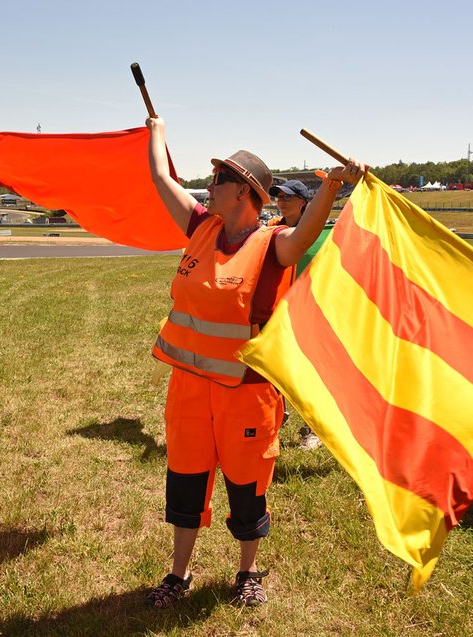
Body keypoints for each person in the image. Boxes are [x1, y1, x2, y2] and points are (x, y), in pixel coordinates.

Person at [144, 114, 365, 608]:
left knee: (246, 487)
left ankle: (247, 573)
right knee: (184, 479)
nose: (208, 186)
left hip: (246, 394)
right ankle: (178, 576)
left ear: (243, 192)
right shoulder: (201, 228)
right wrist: (154, 129)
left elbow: (305, 234)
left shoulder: (272, 244)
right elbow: (162, 178)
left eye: (219, 179)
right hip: (189, 389)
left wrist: (330, 183)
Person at [266, 179, 321, 450]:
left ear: (303, 201)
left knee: (307, 371)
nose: (282, 200)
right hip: (275, 311)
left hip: (309, 311)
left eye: (288, 196)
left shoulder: (320, 231)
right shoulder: (269, 230)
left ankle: (313, 427)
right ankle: (279, 412)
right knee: (274, 367)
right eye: (278, 196)